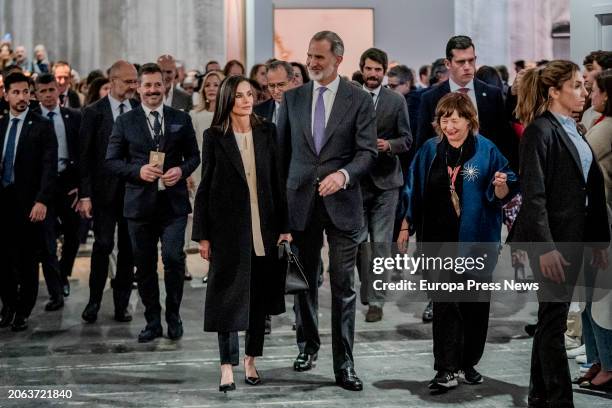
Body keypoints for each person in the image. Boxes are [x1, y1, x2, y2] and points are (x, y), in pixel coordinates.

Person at [276, 31, 377, 391]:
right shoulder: (292, 99)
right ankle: (307, 346)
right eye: (309, 56)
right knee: (303, 282)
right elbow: (281, 155)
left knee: (343, 286)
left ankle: (344, 363)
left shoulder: (359, 99)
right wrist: (281, 214)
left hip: (343, 204)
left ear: (338, 58)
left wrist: (344, 174)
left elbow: (367, 152)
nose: (312, 63)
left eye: (319, 57)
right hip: (300, 203)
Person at [398, 92, 517, 391]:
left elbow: (506, 189)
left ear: (469, 120)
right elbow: (413, 189)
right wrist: (405, 225)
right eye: (444, 120)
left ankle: (468, 363)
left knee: (474, 305)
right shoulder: (429, 150)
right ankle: (446, 369)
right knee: (445, 304)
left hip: (476, 239)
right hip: (438, 240)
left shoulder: (486, 151)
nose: (449, 126)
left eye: (456, 119)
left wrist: (501, 187)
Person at [509, 60, 610, 407]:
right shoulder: (540, 130)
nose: (584, 92)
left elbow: (590, 189)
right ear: (555, 92)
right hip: (552, 241)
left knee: (550, 318)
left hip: (575, 237)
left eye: (585, 85)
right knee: (552, 322)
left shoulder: (574, 129)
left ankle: (540, 394)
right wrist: (547, 248)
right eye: (577, 86)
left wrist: (598, 241)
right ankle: (558, 399)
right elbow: (534, 196)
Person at [192, 75, 290, 392]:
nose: (247, 100)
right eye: (239, 96)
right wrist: (203, 235)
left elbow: (278, 182)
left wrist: (285, 227)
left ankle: (250, 361)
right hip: (227, 230)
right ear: (227, 100)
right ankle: (226, 366)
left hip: (265, 227)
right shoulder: (214, 136)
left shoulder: (267, 131)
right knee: (226, 298)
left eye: (249, 94)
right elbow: (205, 187)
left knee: (257, 300)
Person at [106, 63, 200, 343]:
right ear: (138, 87)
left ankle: (174, 316)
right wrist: (138, 172)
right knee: (144, 266)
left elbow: (194, 156)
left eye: (157, 85)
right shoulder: (125, 122)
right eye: (147, 85)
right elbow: (111, 161)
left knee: (173, 258)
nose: (152, 90)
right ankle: (152, 320)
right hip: (139, 206)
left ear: (165, 85)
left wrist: (181, 171)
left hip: (173, 205)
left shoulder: (179, 118)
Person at [78, 60, 139, 324]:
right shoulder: (94, 112)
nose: (133, 87)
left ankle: (121, 304)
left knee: (128, 249)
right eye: (127, 82)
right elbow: (85, 157)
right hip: (103, 193)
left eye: (135, 81)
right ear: (112, 81)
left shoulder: (140, 109)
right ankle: (93, 301)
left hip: (134, 192)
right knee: (103, 246)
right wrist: (85, 194)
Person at [356, 48, 411, 322]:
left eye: (379, 70)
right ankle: (368, 290)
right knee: (357, 243)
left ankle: (376, 300)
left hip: (386, 182)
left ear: (385, 72)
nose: (374, 74)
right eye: (369, 69)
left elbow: (407, 139)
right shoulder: (351, 97)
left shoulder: (396, 100)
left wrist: (388, 145)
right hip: (355, 182)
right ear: (362, 69)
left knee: (379, 244)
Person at [0, 72, 58, 331]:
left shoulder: (42, 125)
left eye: (26, 92)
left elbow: (49, 167)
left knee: (26, 260)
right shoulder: (0, 125)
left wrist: (42, 200)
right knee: (3, 260)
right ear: (6, 94)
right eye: (16, 92)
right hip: (3, 203)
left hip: (29, 204)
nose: (22, 97)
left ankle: (23, 310)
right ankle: (9, 305)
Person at [416, 36, 514, 169]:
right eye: (461, 62)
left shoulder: (492, 94)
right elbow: (423, 143)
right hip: (445, 174)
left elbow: (504, 138)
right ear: (448, 64)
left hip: (487, 172)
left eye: (471, 60)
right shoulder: (431, 98)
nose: (467, 67)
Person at [33, 73, 82, 306]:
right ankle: (55, 292)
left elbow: (83, 154)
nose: (48, 95)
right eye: (42, 92)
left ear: (58, 90)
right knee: (47, 241)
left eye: (51, 90)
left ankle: (63, 276)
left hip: (68, 184)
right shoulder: (32, 120)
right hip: (43, 188)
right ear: (36, 94)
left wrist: (82, 188)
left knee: (74, 235)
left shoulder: (73, 117)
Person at [578, 69, 612, 391]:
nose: (590, 96)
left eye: (596, 90)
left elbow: (580, 158)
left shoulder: (607, 129)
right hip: (597, 221)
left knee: (599, 300)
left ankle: (608, 365)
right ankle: (599, 360)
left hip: (605, 223)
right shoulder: (599, 124)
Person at [188, 70, 225, 280]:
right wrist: (189, 175)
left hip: (222, 173)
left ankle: (217, 268)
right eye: (208, 85)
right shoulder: (195, 115)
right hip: (199, 171)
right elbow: (191, 147)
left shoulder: (230, 115)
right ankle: (209, 266)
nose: (211, 89)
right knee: (204, 219)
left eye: (216, 85)